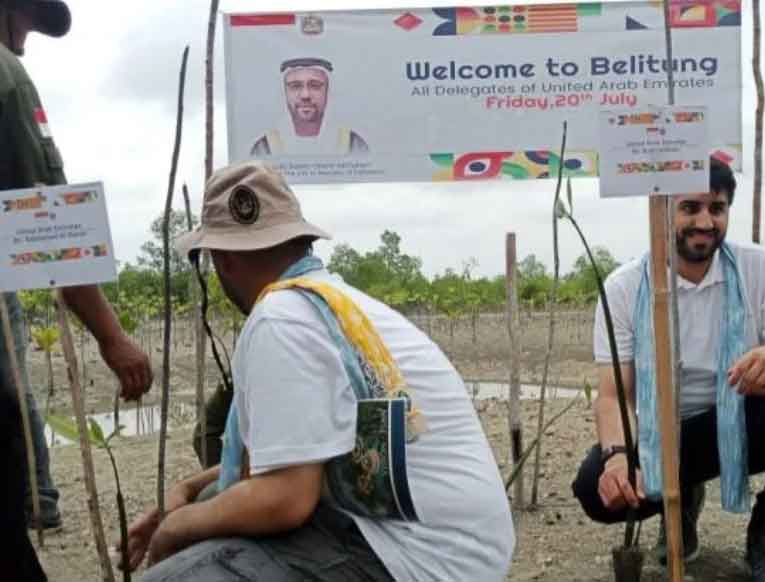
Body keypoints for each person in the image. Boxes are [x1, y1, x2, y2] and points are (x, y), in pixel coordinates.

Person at [124, 160, 514, 581]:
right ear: (300, 241)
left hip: (416, 558)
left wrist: (175, 528)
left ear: (221, 261)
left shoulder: (279, 318)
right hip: (461, 549)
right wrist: (190, 491)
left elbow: (286, 497)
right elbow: (305, 448)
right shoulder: (333, 305)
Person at [571, 159, 765, 582]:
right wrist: (617, 457)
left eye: (716, 208)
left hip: (745, 421)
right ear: (663, 212)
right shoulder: (624, 288)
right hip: (666, 436)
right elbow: (612, 396)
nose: (705, 221)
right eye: (690, 208)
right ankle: (678, 505)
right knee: (596, 489)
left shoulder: (757, 268)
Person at [1, 2, 153, 580]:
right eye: (25, 27)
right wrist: (113, 340)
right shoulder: (6, 76)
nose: (26, 44)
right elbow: (49, 224)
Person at [250, 57, 369, 156]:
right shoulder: (264, 147)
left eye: (315, 86)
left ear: (328, 92)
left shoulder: (352, 144)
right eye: (295, 86)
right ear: (284, 93)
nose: (305, 95)